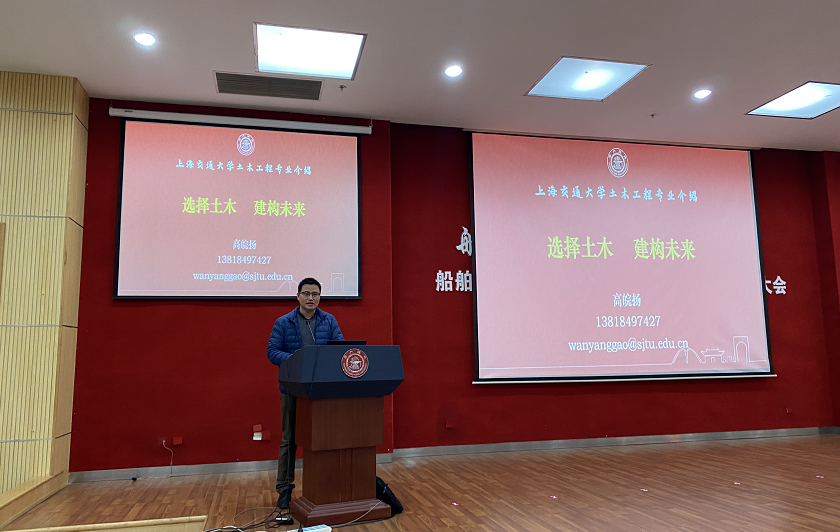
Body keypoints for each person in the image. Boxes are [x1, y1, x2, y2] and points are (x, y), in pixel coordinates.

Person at [266, 278, 344, 510]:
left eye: (315, 294)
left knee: (324, 439)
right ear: (298, 296)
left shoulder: (329, 320)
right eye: (307, 293)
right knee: (289, 440)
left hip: (321, 391)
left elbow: (339, 348)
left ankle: (325, 486)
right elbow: (272, 351)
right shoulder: (284, 322)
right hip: (292, 389)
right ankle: (284, 490)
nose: (311, 298)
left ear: (320, 297)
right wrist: (297, 359)